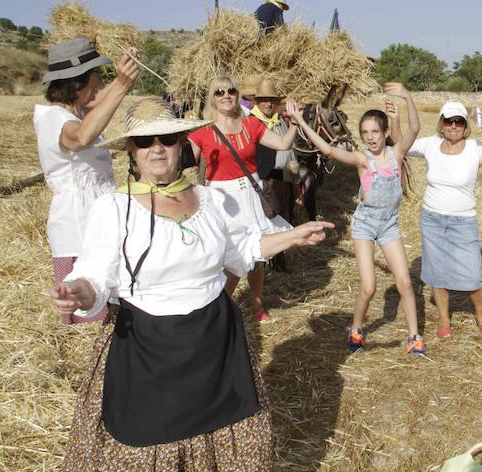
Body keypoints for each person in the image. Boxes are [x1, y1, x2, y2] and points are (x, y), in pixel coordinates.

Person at [50, 97, 333, 470]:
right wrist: (78, 292)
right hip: (147, 345)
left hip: (216, 339)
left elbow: (243, 249)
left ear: (181, 144)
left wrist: (294, 236)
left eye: (166, 140)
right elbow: (95, 274)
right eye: (145, 142)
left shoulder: (209, 199)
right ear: (131, 153)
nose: (157, 149)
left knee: (226, 430)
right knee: (149, 439)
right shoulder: (114, 208)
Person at [287, 83, 428, 355]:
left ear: (386, 132)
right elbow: (328, 150)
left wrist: (408, 97)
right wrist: (301, 123)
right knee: (369, 287)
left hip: (389, 224)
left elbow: (414, 129)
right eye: (365, 133)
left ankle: (414, 336)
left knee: (405, 283)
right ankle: (357, 327)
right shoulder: (363, 160)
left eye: (375, 132)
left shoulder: (397, 154)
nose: (371, 137)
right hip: (365, 225)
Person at [33, 38, 139, 324]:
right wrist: (121, 85)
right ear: (77, 84)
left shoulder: (74, 113)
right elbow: (80, 138)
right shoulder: (54, 118)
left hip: (97, 216)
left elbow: (97, 107)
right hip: (79, 227)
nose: (99, 86)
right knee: (96, 315)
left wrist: (120, 79)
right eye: (96, 80)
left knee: (115, 314)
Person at [188, 76, 298, 321]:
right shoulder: (202, 132)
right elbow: (184, 161)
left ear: (238, 96)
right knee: (232, 256)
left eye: (231, 91)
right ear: (212, 98)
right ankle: (222, 307)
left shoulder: (251, 124)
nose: (226, 95)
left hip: (252, 193)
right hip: (222, 199)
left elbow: (282, 143)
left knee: (258, 254)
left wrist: (295, 123)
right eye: (219, 92)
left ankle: (256, 305)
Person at [406, 101, 482, 340]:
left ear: (465, 125)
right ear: (441, 123)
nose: (453, 126)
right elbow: (402, 144)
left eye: (459, 121)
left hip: (464, 221)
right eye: (449, 121)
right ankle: (443, 318)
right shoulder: (429, 144)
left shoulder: (474, 148)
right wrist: (399, 110)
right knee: (437, 272)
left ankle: (481, 314)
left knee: (472, 274)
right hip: (432, 219)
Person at [252, 78, 297, 219]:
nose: (269, 104)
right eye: (265, 100)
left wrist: (295, 180)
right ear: (257, 102)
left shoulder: (280, 121)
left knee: (285, 215)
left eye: (272, 100)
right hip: (262, 181)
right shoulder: (251, 122)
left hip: (283, 179)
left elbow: (290, 151)